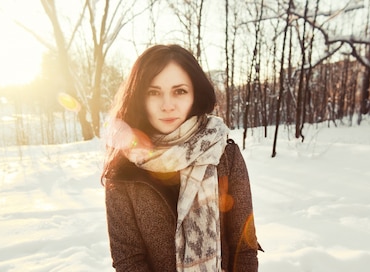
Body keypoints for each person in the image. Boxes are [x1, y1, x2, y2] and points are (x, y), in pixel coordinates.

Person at [101, 44, 261, 271]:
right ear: (139, 97)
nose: (167, 105)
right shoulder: (123, 169)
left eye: (180, 91)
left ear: (195, 94)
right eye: (153, 92)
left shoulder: (223, 153)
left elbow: (243, 248)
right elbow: (129, 260)